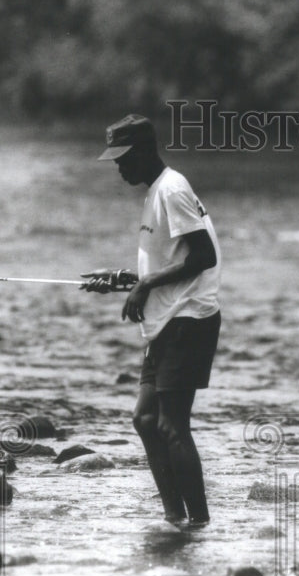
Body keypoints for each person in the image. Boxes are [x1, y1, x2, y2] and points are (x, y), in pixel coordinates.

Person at [84, 114, 222, 526]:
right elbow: (174, 259)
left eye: (124, 158)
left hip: (189, 318)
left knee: (171, 425)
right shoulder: (155, 193)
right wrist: (128, 279)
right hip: (167, 320)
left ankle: (198, 522)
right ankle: (173, 520)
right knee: (145, 420)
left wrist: (144, 288)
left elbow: (203, 257)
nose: (119, 167)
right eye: (115, 159)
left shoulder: (172, 189)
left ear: (146, 150)